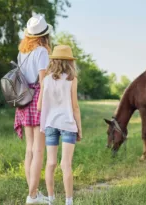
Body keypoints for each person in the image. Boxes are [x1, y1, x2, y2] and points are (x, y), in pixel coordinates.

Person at [13, 15, 52, 204]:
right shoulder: (42, 52)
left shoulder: (22, 52)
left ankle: (34, 194)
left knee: (29, 149)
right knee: (38, 151)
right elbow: (43, 82)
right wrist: (43, 104)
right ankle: (32, 196)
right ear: (44, 35)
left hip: (23, 100)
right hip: (37, 99)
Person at [37, 45, 82, 205]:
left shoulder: (46, 80)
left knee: (51, 163)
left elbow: (39, 106)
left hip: (50, 124)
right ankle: (68, 202)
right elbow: (75, 107)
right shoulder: (72, 80)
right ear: (70, 62)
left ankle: (51, 200)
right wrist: (79, 129)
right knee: (66, 164)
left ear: (54, 60)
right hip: (68, 124)